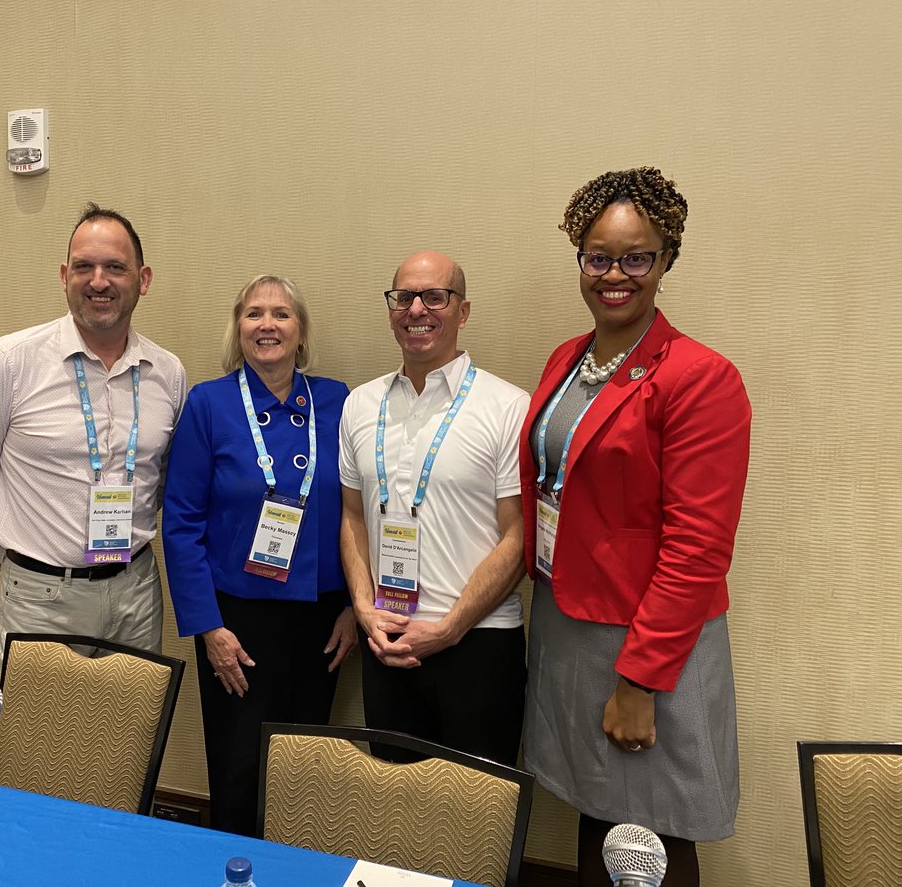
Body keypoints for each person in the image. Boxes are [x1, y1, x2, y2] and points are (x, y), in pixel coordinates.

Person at [520, 167, 751, 887]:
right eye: (597, 256)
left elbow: (698, 549)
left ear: (666, 260)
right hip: (572, 622)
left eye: (636, 257)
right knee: (602, 813)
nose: (614, 275)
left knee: (651, 841)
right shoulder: (569, 360)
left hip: (648, 639)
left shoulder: (700, 377)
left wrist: (640, 682)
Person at [162, 275, 356, 836]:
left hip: (322, 616)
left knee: (305, 764)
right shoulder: (209, 403)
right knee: (238, 764)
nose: (266, 324)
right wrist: (207, 628)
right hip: (235, 621)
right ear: (238, 329)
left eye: (280, 314)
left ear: (301, 332)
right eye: (253, 314)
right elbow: (180, 523)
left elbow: (356, 512)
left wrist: (351, 606)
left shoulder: (338, 400)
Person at [0, 204, 186, 660]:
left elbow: (164, 480)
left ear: (144, 279)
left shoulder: (168, 373)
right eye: (84, 267)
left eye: (115, 267)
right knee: (39, 732)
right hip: (41, 602)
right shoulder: (10, 363)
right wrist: (16, 560)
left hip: (136, 593)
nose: (99, 281)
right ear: (64, 276)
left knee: (131, 729)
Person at [338, 251, 529, 765]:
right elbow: (353, 516)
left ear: (462, 311)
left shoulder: (508, 406)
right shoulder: (360, 404)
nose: (416, 309)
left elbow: (518, 537)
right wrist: (362, 609)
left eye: (435, 297)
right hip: (389, 640)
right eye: (404, 297)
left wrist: (450, 627)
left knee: (478, 817)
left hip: (479, 642)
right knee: (394, 814)